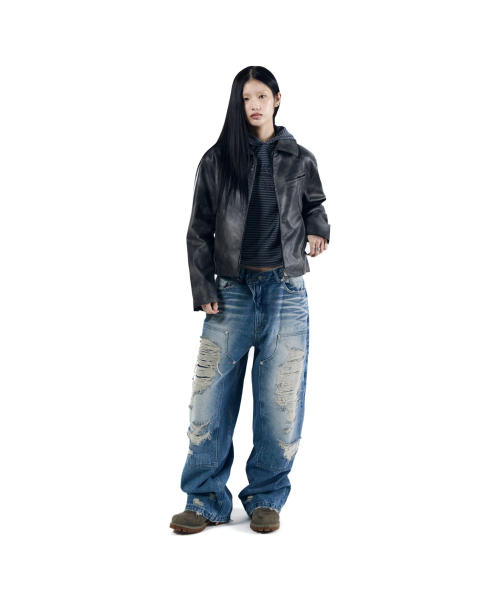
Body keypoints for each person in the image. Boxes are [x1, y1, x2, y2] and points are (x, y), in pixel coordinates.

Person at [170, 66, 330, 534]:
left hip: (286, 294)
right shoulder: (217, 159)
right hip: (231, 294)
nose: (254, 105)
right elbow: (199, 230)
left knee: (281, 401)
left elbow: (314, 204)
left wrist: (319, 229)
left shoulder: (300, 158)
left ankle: (266, 497)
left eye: (261, 96)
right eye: (245, 98)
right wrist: (204, 289)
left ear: (277, 99)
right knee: (209, 399)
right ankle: (204, 500)